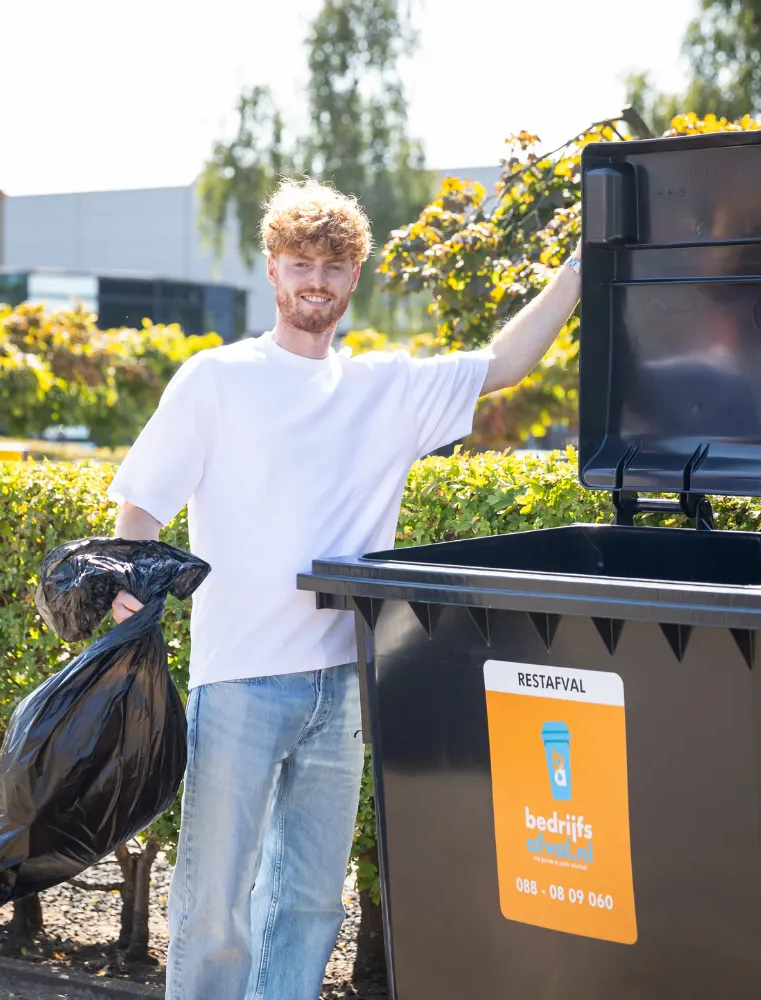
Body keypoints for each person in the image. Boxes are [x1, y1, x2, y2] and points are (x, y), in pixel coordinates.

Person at [106, 177, 582, 1000]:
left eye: (332, 264)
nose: (314, 280)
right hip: (242, 677)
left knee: (311, 904)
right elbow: (141, 504)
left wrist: (583, 260)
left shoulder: (386, 390)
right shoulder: (215, 380)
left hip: (344, 684)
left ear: (353, 276)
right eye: (299, 262)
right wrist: (127, 578)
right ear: (272, 270)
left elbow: (509, 362)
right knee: (215, 904)